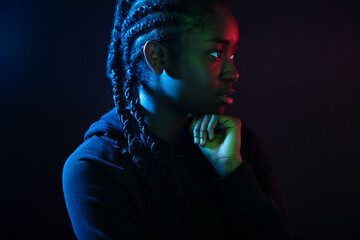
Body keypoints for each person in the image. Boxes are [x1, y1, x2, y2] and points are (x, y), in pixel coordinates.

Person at [62, 0, 301, 239]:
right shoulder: (96, 168)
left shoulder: (241, 149)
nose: (234, 73)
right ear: (157, 57)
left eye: (233, 54)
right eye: (216, 53)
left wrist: (233, 173)